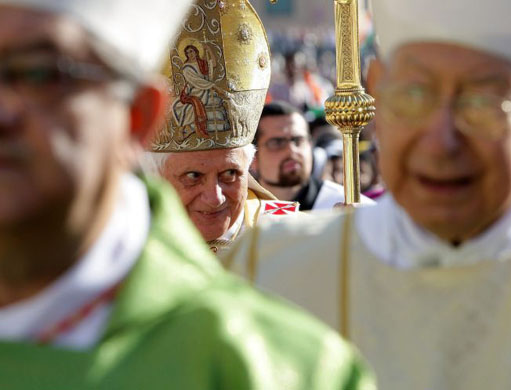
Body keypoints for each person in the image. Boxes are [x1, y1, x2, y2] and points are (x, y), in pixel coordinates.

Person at [0, 1, 376, 389]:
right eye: (194, 175)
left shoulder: (284, 362)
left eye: (39, 75)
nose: (214, 198)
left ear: (135, 118)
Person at [223, 0, 511, 388]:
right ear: (377, 88)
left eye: (482, 104)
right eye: (414, 95)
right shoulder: (270, 272)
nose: (441, 141)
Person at [145, 3, 299, 255]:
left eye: (229, 173)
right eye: (193, 176)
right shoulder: (125, 246)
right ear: (156, 176)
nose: (215, 197)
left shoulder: (292, 237)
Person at [252, 101, 374, 210]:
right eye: (277, 143)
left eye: (298, 140)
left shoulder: (351, 208)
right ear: (253, 157)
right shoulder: (240, 211)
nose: (292, 150)